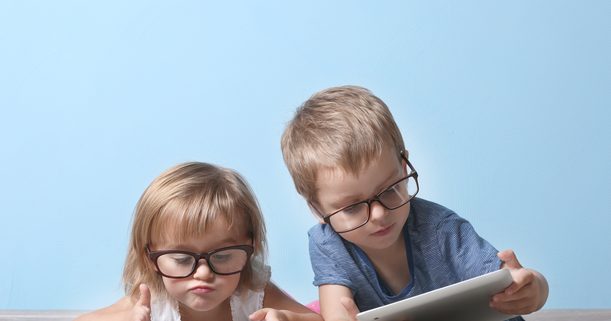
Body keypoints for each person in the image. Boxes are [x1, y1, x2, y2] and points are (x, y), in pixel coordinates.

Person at [280, 85, 549, 321]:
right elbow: (336, 311)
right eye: (352, 207)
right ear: (317, 209)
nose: (378, 214)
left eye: (389, 190)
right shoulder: (327, 243)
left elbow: (509, 279)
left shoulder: (440, 229)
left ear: (404, 164)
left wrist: (533, 288)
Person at [76, 162, 323, 321]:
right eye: (183, 259)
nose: (203, 273)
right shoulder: (151, 305)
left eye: (223, 256)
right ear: (149, 258)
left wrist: (288, 319)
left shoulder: (252, 294)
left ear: (251, 248)